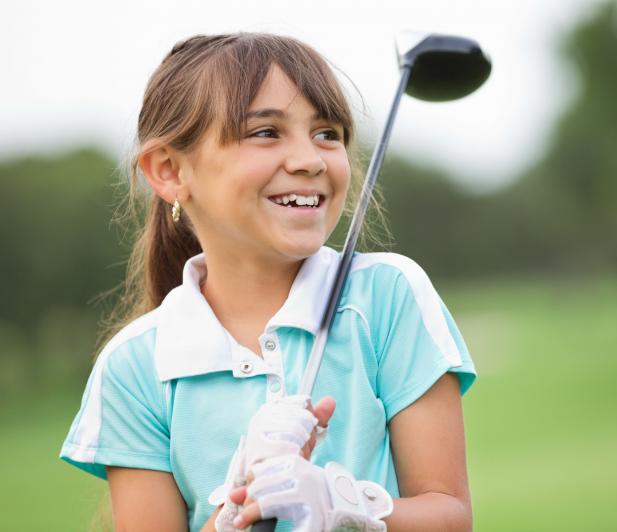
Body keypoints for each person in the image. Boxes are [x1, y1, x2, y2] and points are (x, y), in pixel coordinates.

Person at [59, 32, 476, 532]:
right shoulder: (133, 366)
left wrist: (345, 507)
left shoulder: (386, 295)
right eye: (265, 133)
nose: (310, 159)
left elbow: (450, 515)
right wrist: (239, 505)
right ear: (170, 171)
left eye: (328, 133)